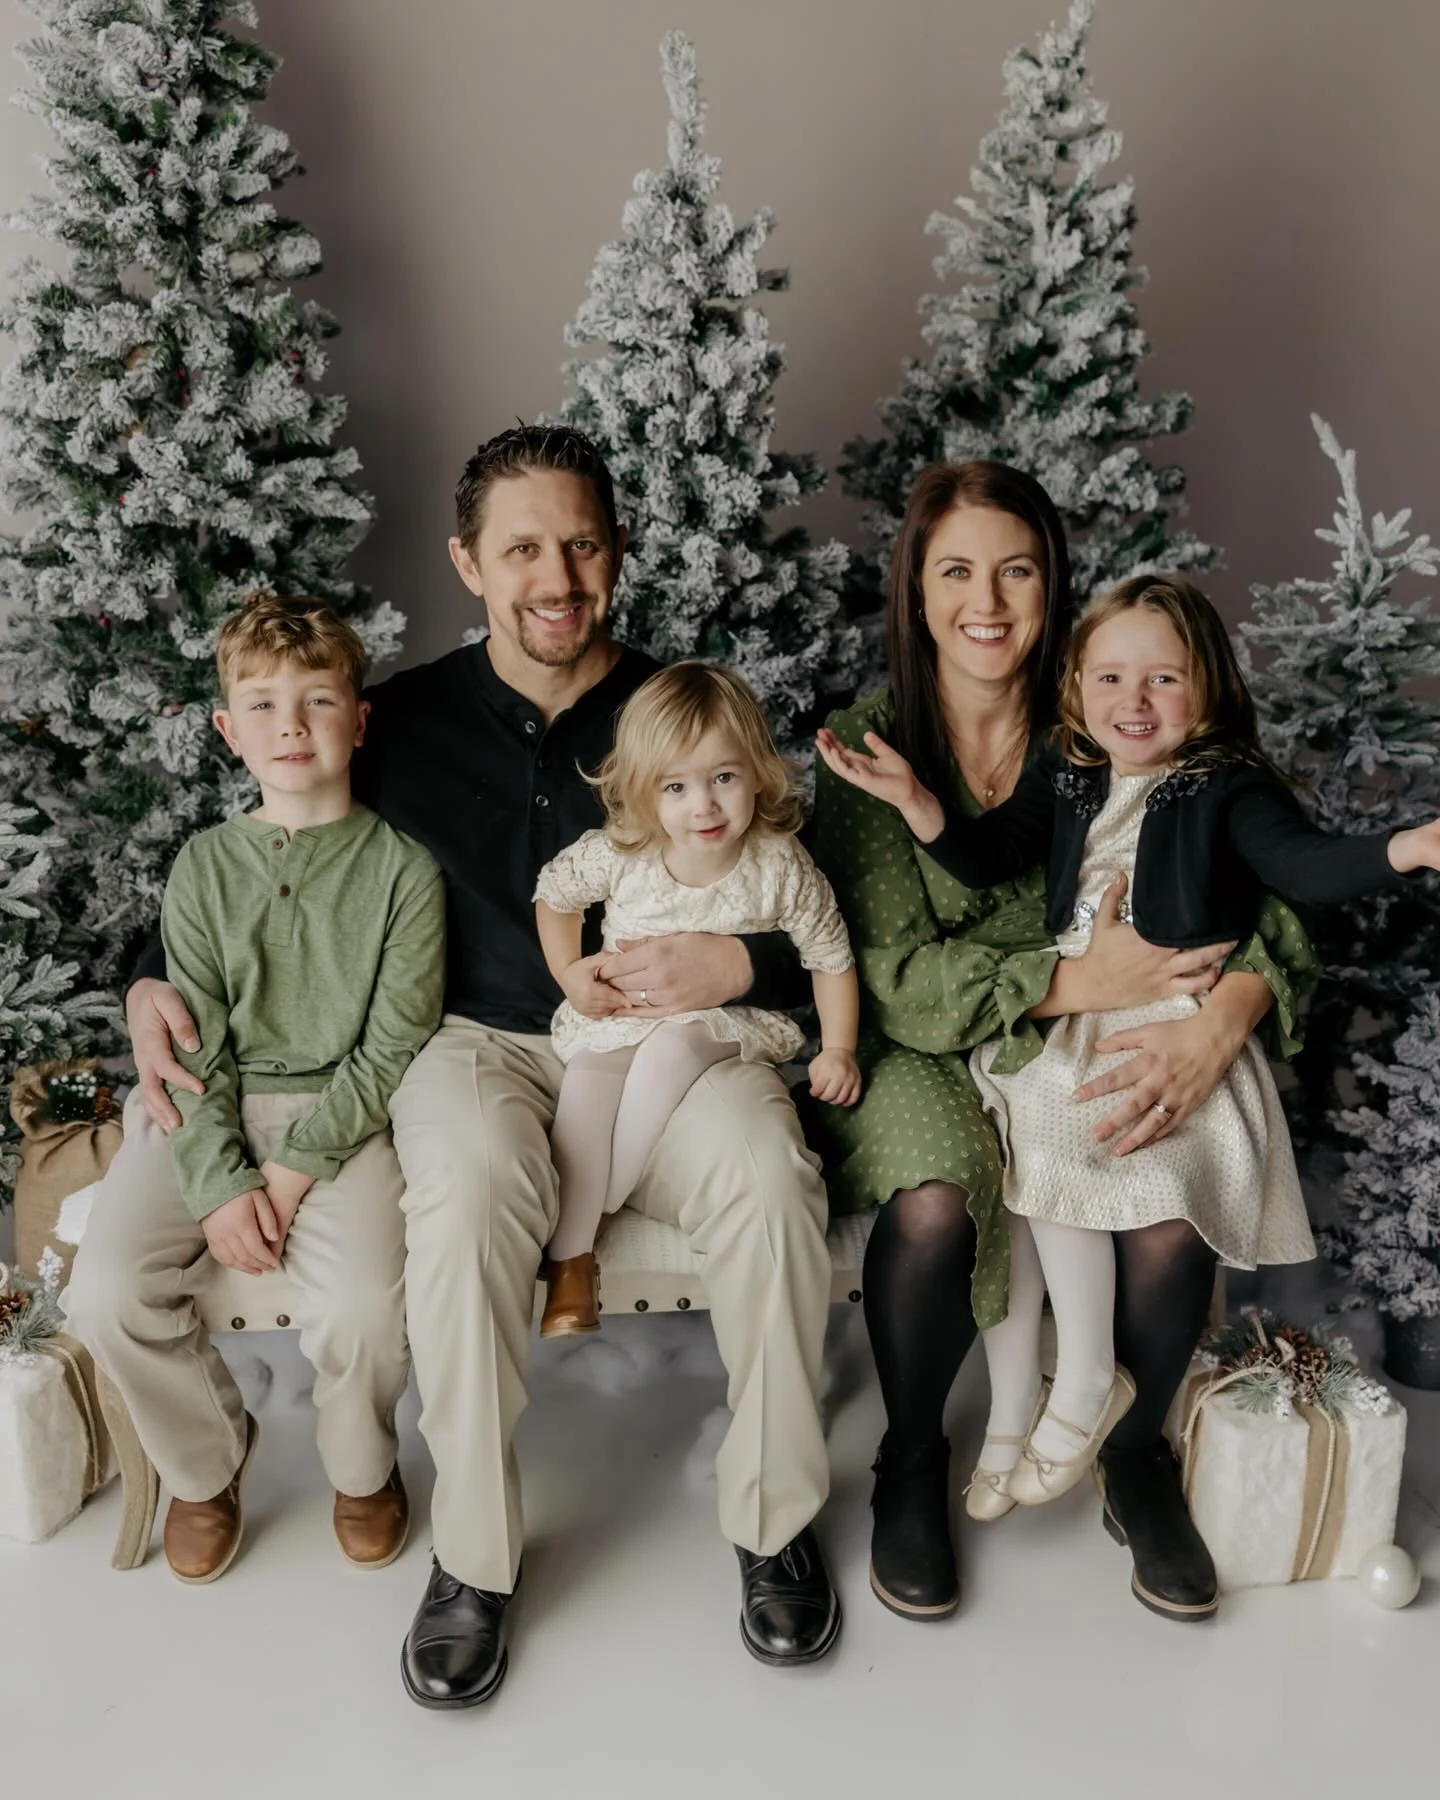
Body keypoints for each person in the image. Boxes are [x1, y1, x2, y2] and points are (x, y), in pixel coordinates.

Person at [124, 426, 842, 1703]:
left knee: (771, 1177)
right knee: (455, 1203)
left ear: (615, 555)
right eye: (522, 549)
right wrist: (145, 974)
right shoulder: (394, 719)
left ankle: (776, 1520)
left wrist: (742, 973)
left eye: (580, 543)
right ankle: (473, 1558)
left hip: (674, 1040)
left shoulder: (683, 711)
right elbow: (258, 845)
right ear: (469, 564)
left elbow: (815, 904)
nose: (554, 575)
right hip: (475, 1047)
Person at [819, 573, 1439, 1541]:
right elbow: (989, 854)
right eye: (1109, 678)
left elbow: (1306, 868)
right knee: (1031, 1120)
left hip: (1170, 1012)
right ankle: (1049, 1395)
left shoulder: (1225, 787)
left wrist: (1408, 848)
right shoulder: (1068, 771)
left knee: (1079, 1120)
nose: (1133, 703)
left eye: (1162, 681)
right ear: (1074, 689)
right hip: (1075, 1005)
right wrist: (915, 801)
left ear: (1207, 693)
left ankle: (1095, 1395)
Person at [809, 462, 1321, 1623]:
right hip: (927, 1045)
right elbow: (888, 978)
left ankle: (1133, 1452)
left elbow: (1273, 898)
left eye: (1017, 570)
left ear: (1054, 586)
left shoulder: (1104, 714)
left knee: (1162, 1144)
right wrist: (1071, 977)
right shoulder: (867, 746)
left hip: (1105, 1032)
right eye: (956, 572)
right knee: (941, 1199)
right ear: (917, 591)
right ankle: (908, 1462)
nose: (987, 600)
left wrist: (1229, 1011)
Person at [67, 596, 444, 1583]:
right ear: (230, 732)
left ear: (357, 721)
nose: (292, 724)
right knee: (105, 1291)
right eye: (265, 705)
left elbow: (392, 1042)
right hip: (201, 1109)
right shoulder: (205, 867)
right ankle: (207, 1467)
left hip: (340, 1119)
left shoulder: (404, 872)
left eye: (318, 700)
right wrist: (223, 1177)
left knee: (365, 1306)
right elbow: (196, 1046)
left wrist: (284, 1180)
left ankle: (363, 1471)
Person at [535, 661, 859, 1336]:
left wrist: (840, 1048)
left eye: (723, 778)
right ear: (645, 792)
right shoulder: (625, 850)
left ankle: (595, 1209)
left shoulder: (777, 862)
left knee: (672, 1051)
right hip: (625, 1014)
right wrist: (571, 974)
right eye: (676, 786)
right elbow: (555, 894)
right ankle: (570, 1266)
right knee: (588, 1087)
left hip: (718, 1021)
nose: (703, 805)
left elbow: (830, 955)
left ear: (756, 771)